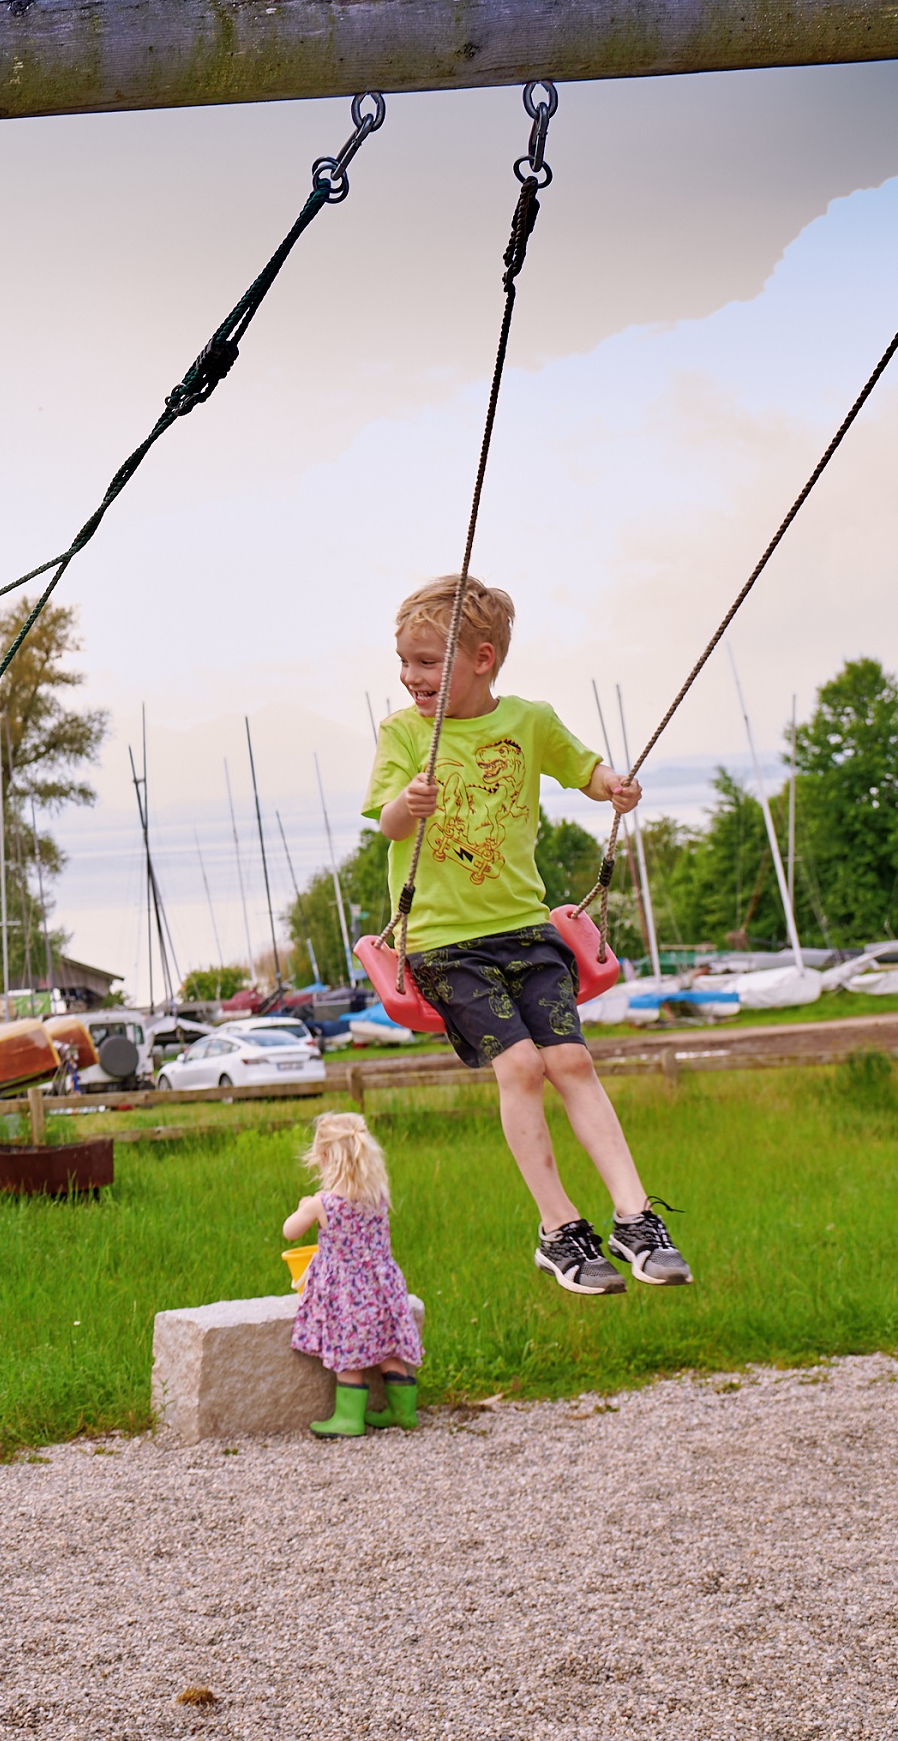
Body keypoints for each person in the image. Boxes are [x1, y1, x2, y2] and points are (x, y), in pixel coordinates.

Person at [365, 573, 691, 1295]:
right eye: (405, 661)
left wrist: (614, 786)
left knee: (571, 1060)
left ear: (482, 659)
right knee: (519, 1067)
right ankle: (558, 1228)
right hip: (444, 943)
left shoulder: (530, 721)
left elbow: (585, 769)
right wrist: (409, 803)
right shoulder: (403, 734)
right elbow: (386, 822)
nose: (410, 676)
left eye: (427, 662)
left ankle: (635, 1216)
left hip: (526, 930)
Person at [281, 1110, 423, 1437]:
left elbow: (290, 1231)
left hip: (347, 1295)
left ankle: (348, 1419)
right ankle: (403, 1412)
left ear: (324, 1157)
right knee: (388, 1347)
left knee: (348, 1354)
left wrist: (304, 1207)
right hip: (383, 1289)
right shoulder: (378, 1197)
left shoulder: (323, 1203)